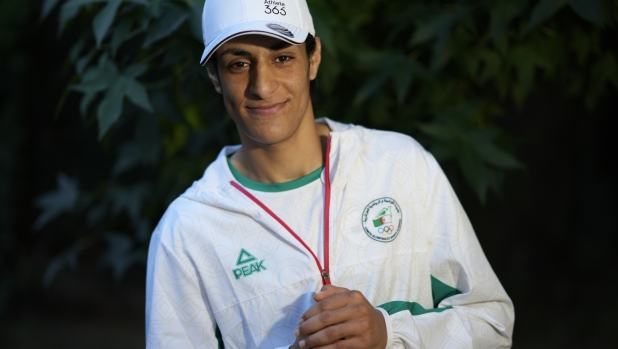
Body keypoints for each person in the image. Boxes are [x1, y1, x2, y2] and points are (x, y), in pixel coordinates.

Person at [145, 0, 515, 347]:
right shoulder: (186, 232)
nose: (263, 86)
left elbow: (493, 325)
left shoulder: (400, 164)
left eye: (283, 57)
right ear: (214, 76)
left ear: (314, 58)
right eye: (238, 64)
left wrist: (388, 333)